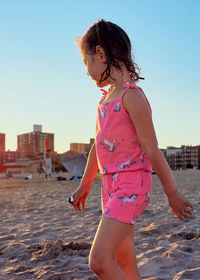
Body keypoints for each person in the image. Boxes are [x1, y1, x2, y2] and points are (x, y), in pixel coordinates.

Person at [71, 19, 194, 280]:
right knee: (123, 260)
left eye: (86, 62)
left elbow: (152, 149)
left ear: (101, 54)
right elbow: (98, 146)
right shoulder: (105, 100)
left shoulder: (132, 97)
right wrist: (85, 184)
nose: (86, 70)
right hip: (110, 187)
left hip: (132, 187)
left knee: (100, 261)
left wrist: (172, 193)